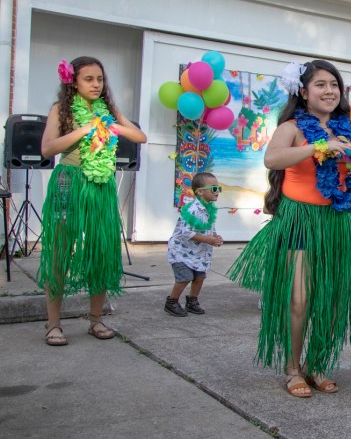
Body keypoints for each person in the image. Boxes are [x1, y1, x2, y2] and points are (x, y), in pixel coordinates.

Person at [227, 60, 351, 398]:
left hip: (337, 222)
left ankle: (317, 364)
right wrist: (319, 147)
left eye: (334, 85)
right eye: (320, 84)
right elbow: (273, 159)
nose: (329, 91)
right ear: (303, 92)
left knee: (332, 300)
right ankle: (293, 368)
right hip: (300, 220)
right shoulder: (292, 127)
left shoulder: (348, 129)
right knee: (300, 299)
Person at [38, 56, 147, 346]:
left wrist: (111, 126)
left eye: (100, 79)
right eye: (89, 79)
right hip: (68, 182)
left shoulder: (108, 109)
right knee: (59, 253)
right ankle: (53, 324)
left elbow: (141, 136)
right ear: (73, 82)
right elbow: (47, 148)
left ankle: (96, 320)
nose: (96, 84)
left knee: (101, 251)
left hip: (100, 185)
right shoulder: (61, 109)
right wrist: (84, 130)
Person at [164, 172, 224, 317]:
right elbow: (186, 233)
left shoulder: (209, 209)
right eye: (214, 188)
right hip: (181, 251)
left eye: (218, 188)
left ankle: (192, 301)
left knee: (199, 277)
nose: (217, 191)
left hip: (199, 253)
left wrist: (215, 237)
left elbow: (209, 228)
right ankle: (172, 302)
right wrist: (208, 240)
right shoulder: (192, 210)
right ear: (200, 192)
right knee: (185, 277)